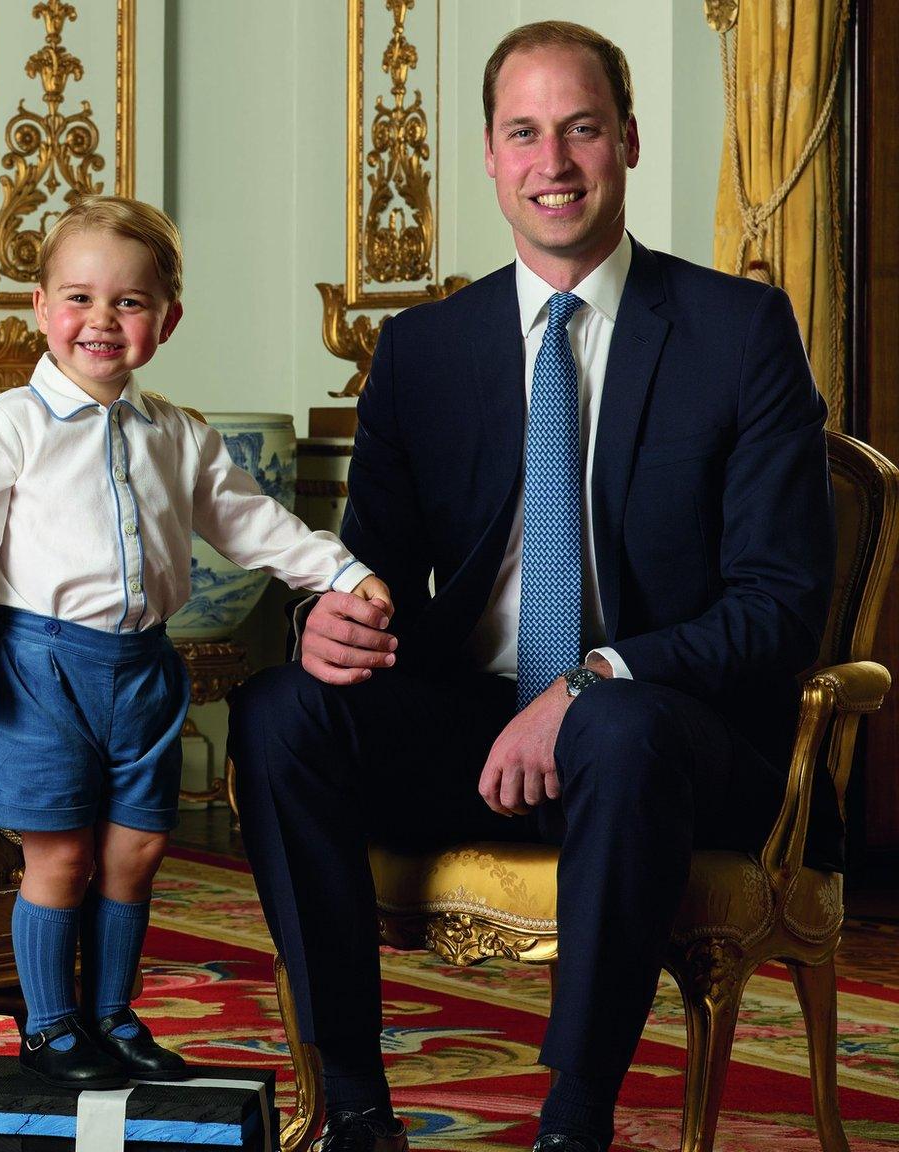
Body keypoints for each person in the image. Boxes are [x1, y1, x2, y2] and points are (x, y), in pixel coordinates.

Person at [228, 21, 836, 1152]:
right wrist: (330, 626)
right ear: (489, 156)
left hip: (673, 738)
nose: (550, 161)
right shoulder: (421, 351)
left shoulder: (734, 332)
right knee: (277, 711)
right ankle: (354, 1105)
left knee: (618, 725)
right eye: (523, 133)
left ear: (627, 142)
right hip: (474, 727)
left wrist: (593, 678)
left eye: (579, 129)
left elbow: (776, 603)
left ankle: (572, 1124)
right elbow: (373, 572)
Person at [0, 196, 392, 1090]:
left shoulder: (175, 433)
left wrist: (337, 571)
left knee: (134, 850)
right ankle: (51, 1026)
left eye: (129, 303)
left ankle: (112, 1011)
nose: (102, 321)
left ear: (166, 320)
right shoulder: (3, 427)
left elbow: (250, 522)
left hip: (142, 670)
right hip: (39, 666)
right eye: (79, 298)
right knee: (58, 854)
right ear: (40, 309)